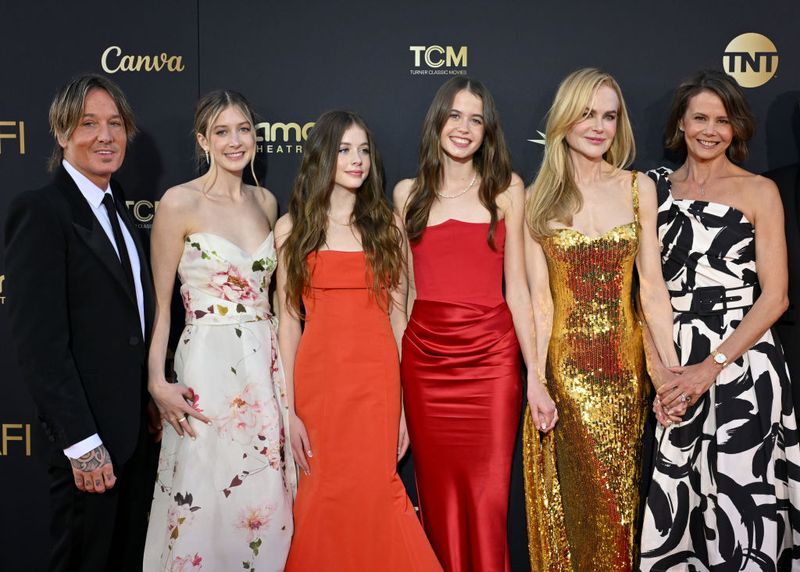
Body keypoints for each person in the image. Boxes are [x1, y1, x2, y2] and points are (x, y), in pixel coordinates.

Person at [640, 70, 800, 571]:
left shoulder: (759, 191)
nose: (711, 130)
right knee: (679, 500)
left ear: (737, 129)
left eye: (723, 121)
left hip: (744, 361)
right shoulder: (651, 191)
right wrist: (661, 372)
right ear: (681, 125)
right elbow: (643, 291)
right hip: (675, 356)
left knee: (741, 502)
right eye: (701, 118)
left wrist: (712, 366)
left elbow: (775, 298)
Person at [522, 68, 680, 571]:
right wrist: (536, 379)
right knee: (578, 510)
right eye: (587, 113)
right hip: (566, 377)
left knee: (622, 510)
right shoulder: (536, 199)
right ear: (565, 119)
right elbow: (539, 301)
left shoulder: (638, 189)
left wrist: (671, 374)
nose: (598, 126)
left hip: (627, 373)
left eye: (609, 116)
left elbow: (652, 288)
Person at [395, 76, 554, 572]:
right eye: (455, 115)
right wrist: (397, 388)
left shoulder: (506, 189)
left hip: (491, 362)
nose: (463, 128)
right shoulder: (407, 193)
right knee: (437, 502)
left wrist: (537, 378)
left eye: (476, 119)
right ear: (437, 120)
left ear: (488, 131)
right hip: (425, 364)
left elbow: (518, 291)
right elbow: (402, 297)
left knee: (488, 503)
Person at [4, 74, 155, 572]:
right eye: (89, 123)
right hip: (88, 449)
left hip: (134, 441)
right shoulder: (42, 212)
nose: (105, 136)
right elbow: (40, 346)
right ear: (62, 132)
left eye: (115, 124)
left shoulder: (124, 216)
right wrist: (83, 446)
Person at [278, 110, 441, 571]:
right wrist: (289, 409)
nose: (357, 160)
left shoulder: (386, 226)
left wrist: (404, 404)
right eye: (345, 149)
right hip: (319, 387)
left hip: (376, 384)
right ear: (322, 156)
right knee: (320, 495)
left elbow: (399, 318)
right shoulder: (293, 229)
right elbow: (288, 323)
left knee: (377, 489)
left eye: (364, 150)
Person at [143, 90, 295, 571]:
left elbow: (276, 299)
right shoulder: (178, 202)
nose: (235, 141)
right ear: (203, 140)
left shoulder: (267, 202)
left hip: (263, 363)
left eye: (244, 129)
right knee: (205, 489)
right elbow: (161, 306)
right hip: (206, 367)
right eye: (222, 131)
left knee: (263, 489)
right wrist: (156, 381)